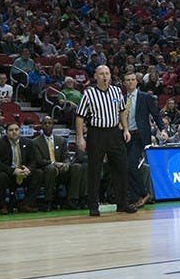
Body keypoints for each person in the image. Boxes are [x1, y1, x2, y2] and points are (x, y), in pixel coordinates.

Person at [75, 65, 135, 216]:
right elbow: (80, 116)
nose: (105, 76)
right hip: (96, 133)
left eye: (107, 73)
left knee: (121, 168)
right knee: (95, 170)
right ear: (95, 76)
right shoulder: (89, 94)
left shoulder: (116, 91)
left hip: (115, 132)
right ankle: (93, 206)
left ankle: (122, 203)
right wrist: (80, 137)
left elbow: (122, 111)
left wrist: (126, 129)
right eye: (101, 74)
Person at [119, 73, 164, 208]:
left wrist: (163, 129)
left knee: (132, 164)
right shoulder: (121, 98)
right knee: (126, 167)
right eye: (127, 80)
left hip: (139, 136)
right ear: (124, 83)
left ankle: (144, 193)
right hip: (124, 135)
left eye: (133, 80)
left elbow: (155, 114)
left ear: (137, 82)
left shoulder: (145, 97)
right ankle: (135, 197)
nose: (130, 82)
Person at [32, 116, 85, 211]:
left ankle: (72, 200)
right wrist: (54, 163)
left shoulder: (61, 140)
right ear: (41, 126)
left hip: (61, 170)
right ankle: (48, 201)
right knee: (50, 168)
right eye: (45, 123)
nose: (47, 125)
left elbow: (66, 156)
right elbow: (39, 160)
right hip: (45, 170)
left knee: (77, 167)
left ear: (53, 126)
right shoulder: (35, 142)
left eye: (50, 123)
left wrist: (66, 164)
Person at [0, 121, 41, 212]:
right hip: (9, 174)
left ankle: (27, 203)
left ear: (20, 131)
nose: (14, 132)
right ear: (6, 132)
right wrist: (13, 171)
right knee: (0, 176)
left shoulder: (28, 142)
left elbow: (34, 161)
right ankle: (3, 205)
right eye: (11, 130)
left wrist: (28, 169)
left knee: (38, 173)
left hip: (23, 173)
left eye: (16, 129)